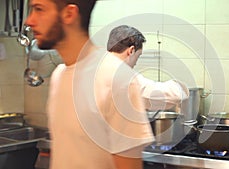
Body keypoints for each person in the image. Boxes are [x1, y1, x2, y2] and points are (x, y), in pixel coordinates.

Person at [25, 1, 154, 169]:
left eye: (39, 9)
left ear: (69, 14)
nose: (29, 20)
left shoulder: (117, 79)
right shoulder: (58, 75)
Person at [107, 25, 189, 112]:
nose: (135, 63)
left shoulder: (97, 65)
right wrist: (182, 88)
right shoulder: (122, 75)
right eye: (137, 56)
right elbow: (169, 95)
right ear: (131, 51)